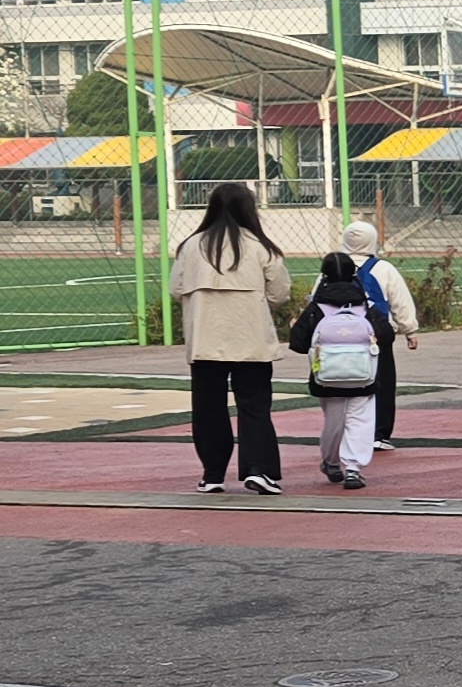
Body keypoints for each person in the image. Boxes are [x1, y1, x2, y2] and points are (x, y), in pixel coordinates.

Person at [171, 182, 290, 496]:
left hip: (205, 338)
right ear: (249, 210)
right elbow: (279, 293)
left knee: (208, 408)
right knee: (254, 406)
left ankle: (212, 474)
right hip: (251, 337)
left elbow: (176, 289)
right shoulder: (262, 246)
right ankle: (258, 469)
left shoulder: (191, 246)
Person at [287, 250, 394, 491]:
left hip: (327, 377)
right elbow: (387, 335)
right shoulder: (364, 305)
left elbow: (299, 343)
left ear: (323, 275)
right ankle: (353, 469)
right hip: (363, 376)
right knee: (360, 420)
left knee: (333, 422)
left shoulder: (317, 307)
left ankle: (331, 462)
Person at [340, 220, 419, 452]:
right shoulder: (383, 268)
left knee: (343, 383)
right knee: (382, 382)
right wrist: (409, 329)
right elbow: (400, 301)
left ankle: (347, 432)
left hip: (341, 336)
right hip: (376, 334)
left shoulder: (335, 266)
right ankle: (379, 433)